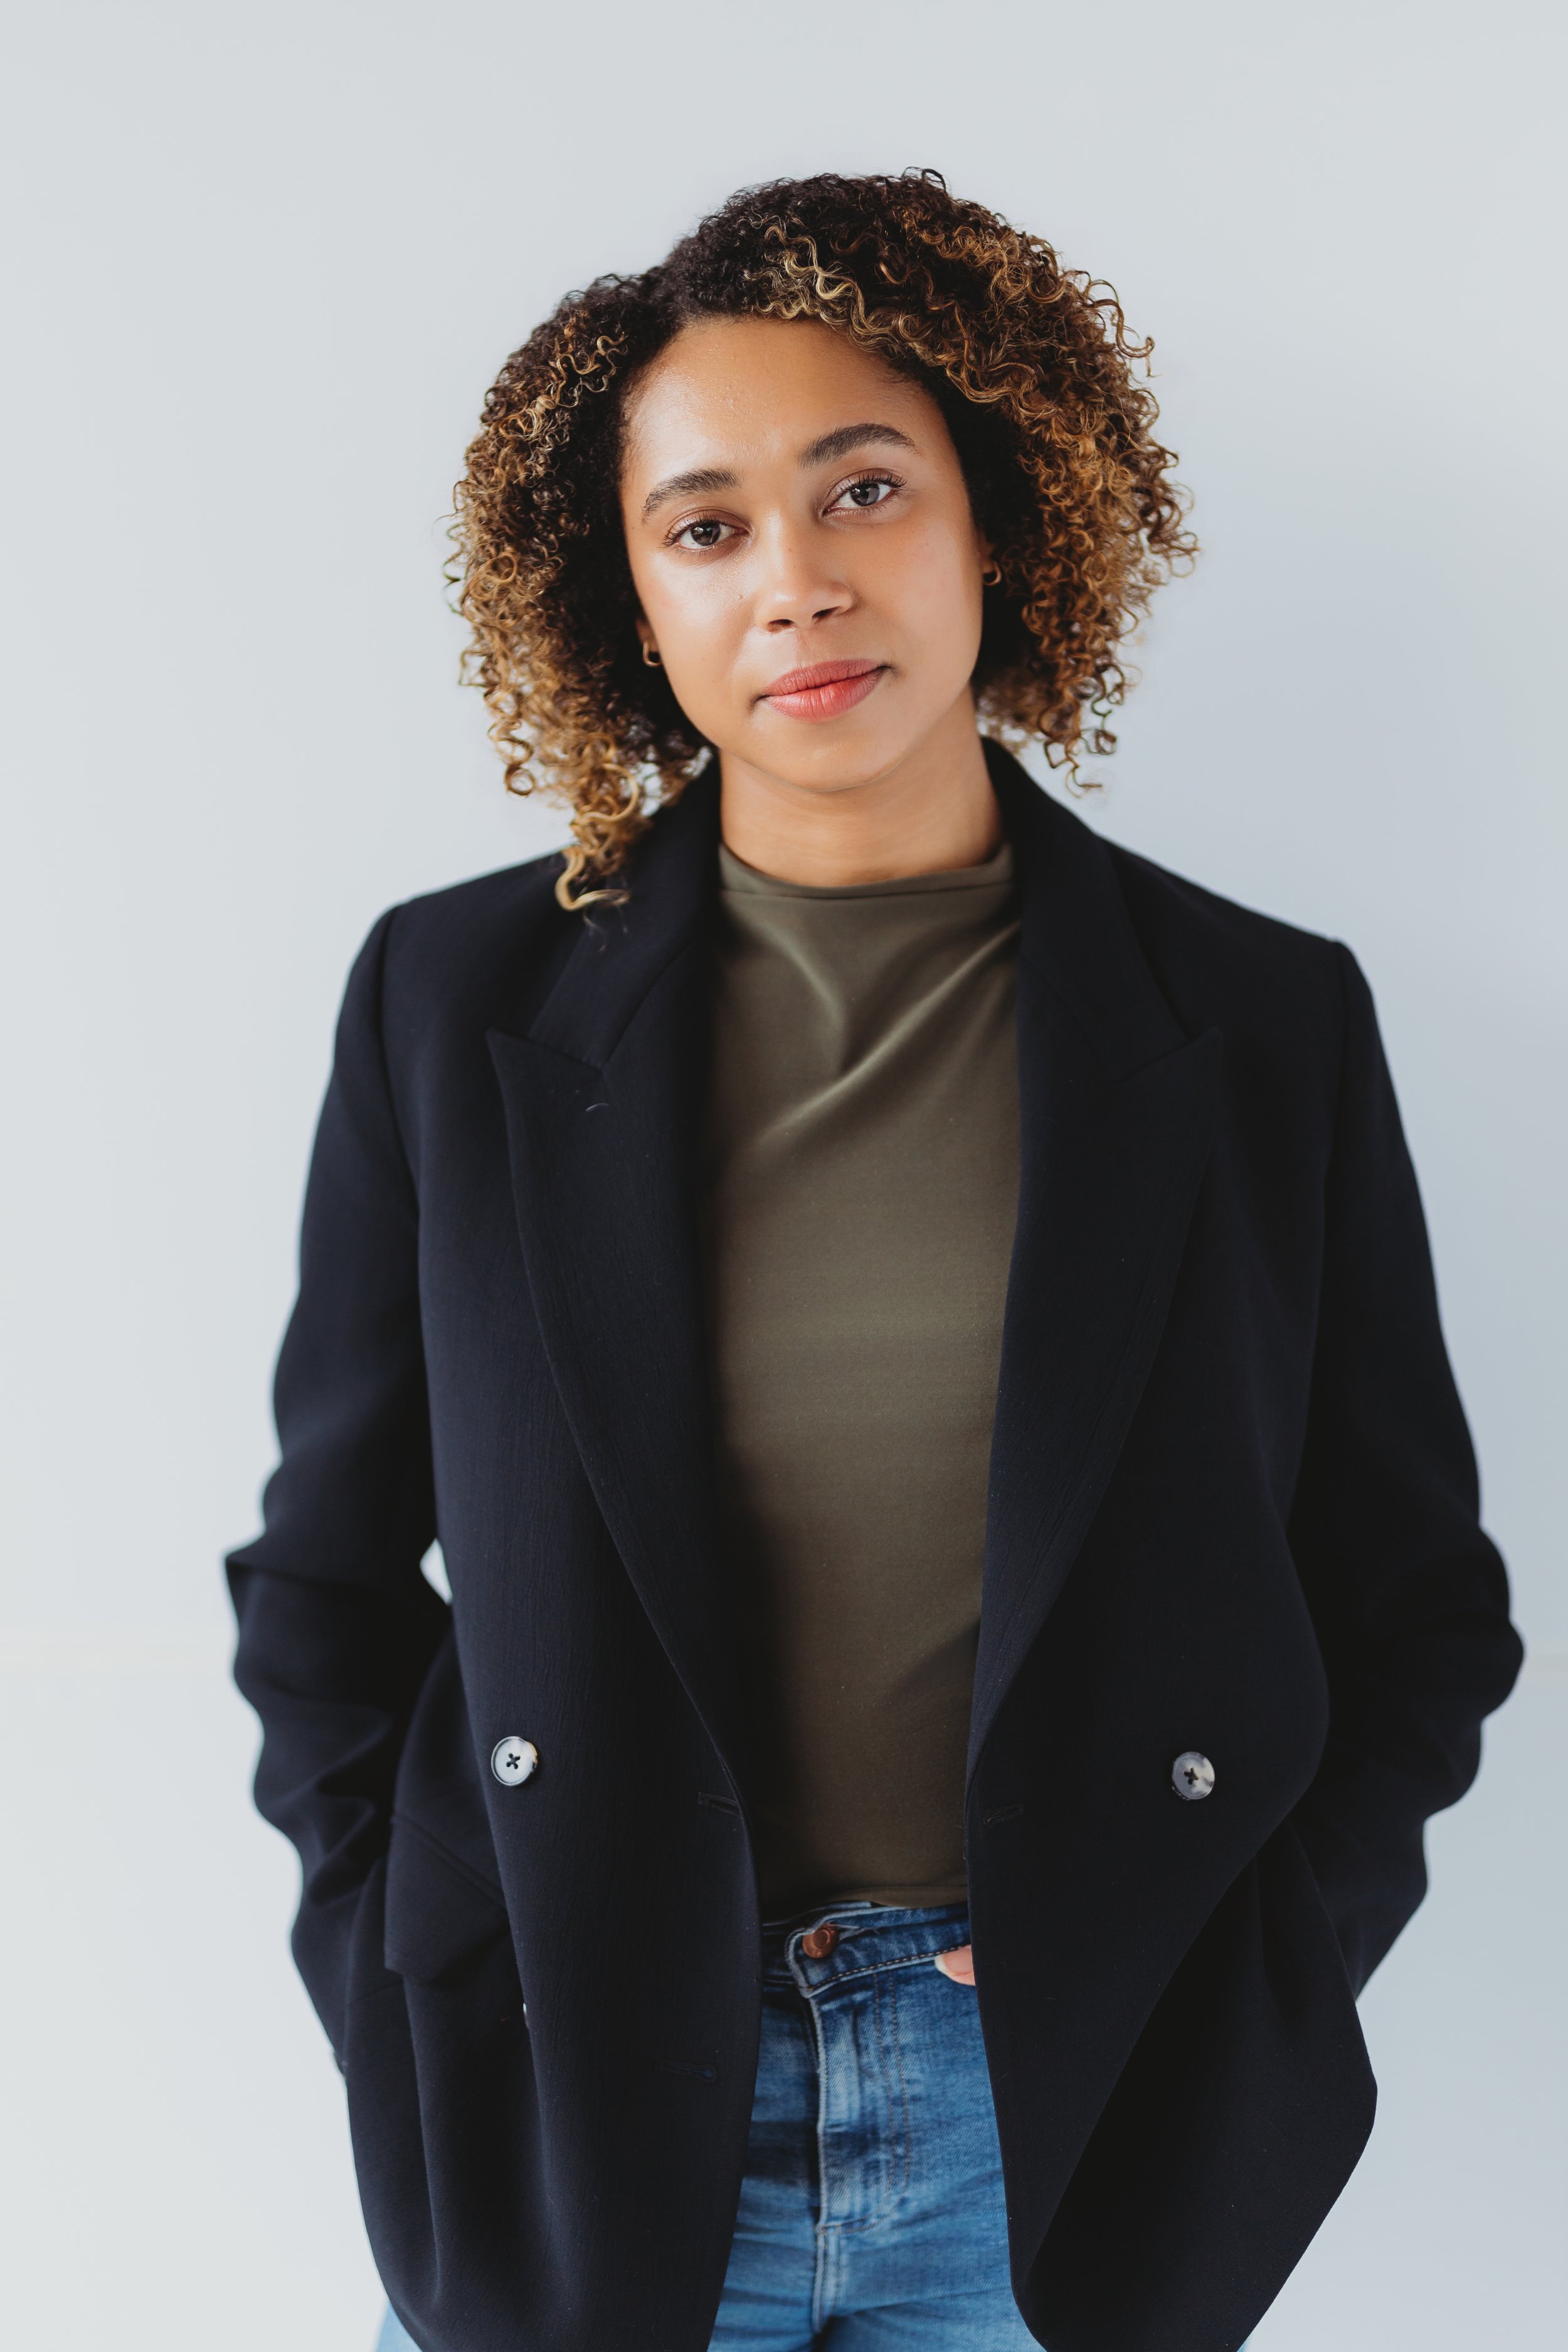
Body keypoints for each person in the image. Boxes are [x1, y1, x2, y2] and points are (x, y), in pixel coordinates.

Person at [228, 171, 1522, 2352]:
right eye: (707, 526)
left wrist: (1230, 1948)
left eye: (861, 488)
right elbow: (326, 1586)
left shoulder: (1259, 1025)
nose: (799, 584)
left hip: (1055, 2117)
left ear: (995, 516)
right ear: (623, 599)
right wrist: (411, 1960)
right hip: (580, 2081)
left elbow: (1412, 1604)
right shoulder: (453, 1007)